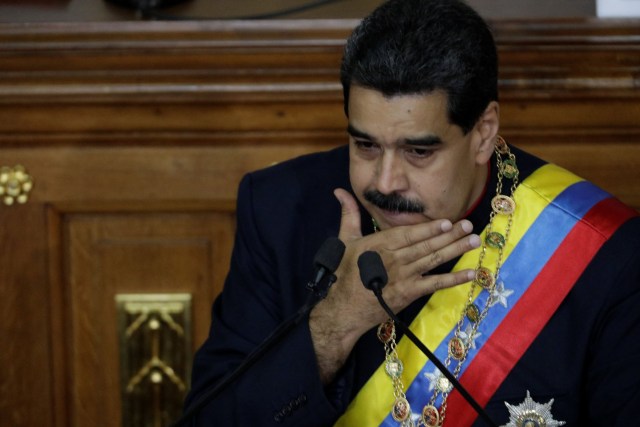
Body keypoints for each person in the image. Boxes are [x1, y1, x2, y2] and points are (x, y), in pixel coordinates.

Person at [184, 0, 640, 425]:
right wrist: (333, 326)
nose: (383, 183)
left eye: (418, 151)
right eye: (365, 145)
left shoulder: (601, 251)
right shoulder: (279, 211)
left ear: (483, 133)